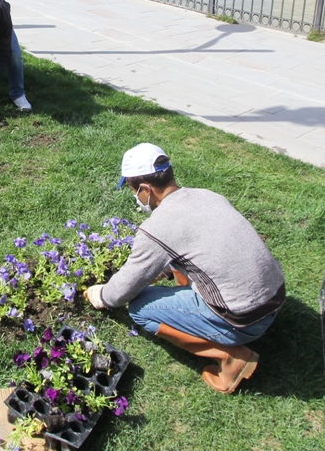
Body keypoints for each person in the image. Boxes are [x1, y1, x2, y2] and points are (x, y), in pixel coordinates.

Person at [85, 143, 286, 394]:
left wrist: (101, 295)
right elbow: (204, 247)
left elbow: (119, 294)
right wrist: (165, 270)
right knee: (179, 268)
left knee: (140, 308)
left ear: (145, 189)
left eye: (134, 190)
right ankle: (203, 317)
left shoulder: (158, 227)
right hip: (274, 299)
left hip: (243, 321)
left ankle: (231, 356)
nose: (136, 197)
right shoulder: (207, 195)